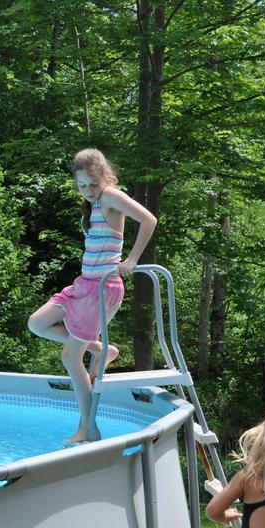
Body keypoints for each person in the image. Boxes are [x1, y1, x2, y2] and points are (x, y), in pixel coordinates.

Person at [27, 148, 157, 444]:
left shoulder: (110, 196)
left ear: (104, 178)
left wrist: (132, 260)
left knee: (70, 356)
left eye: (92, 185)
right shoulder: (93, 202)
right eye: (81, 185)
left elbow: (149, 220)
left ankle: (88, 428)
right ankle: (102, 349)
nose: (87, 191)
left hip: (102, 289)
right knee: (37, 323)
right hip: (83, 285)